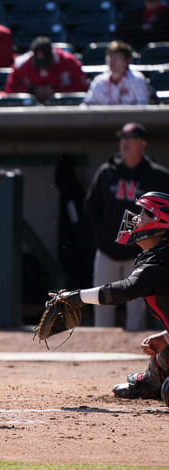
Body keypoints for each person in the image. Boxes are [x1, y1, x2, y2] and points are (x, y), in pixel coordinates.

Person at [50, 191, 169, 407]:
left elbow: (125, 290)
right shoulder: (161, 256)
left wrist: (77, 298)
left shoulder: (159, 264)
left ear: (160, 222)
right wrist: (166, 336)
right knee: (164, 346)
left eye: (144, 213)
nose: (136, 218)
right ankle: (154, 380)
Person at [84, 123, 169, 331]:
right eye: (122, 137)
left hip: (139, 254)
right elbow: (91, 206)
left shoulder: (157, 176)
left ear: (143, 142)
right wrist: (101, 237)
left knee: (136, 317)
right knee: (101, 313)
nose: (124, 142)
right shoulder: (107, 172)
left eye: (130, 137)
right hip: (107, 251)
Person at [5, 36, 88, 104]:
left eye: (46, 63)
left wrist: (55, 91)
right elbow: (11, 89)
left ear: (52, 54)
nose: (43, 68)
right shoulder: (21, 64)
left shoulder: (69, 62)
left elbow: (82, 87)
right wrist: (32, 91)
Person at [84, 41, 150, 106]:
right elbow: (87, 106)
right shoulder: (99, 81)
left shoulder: (137, 80)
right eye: (110, 56)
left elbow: (142, 110)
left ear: (127, 61)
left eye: (116, 57)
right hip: (104, 117)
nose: (111, 60)